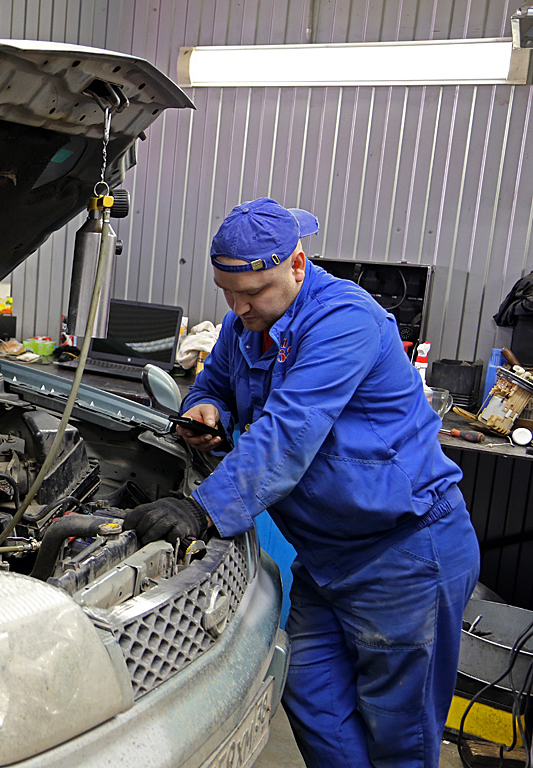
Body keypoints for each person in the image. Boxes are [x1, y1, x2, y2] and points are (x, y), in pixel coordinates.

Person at [124, 197, 480, 768]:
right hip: (325, 559)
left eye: (253, 293)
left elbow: (291, 430)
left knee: (399, 730)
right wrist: (208, 409)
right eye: (227, 294)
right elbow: (211, 381)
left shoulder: (344, 321)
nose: (239, 308)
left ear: (297, 264)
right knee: (308, 692)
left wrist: (205, 510)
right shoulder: (248, 326)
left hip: (405, 555)